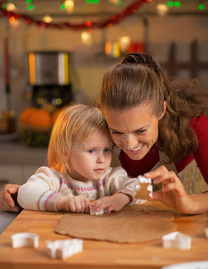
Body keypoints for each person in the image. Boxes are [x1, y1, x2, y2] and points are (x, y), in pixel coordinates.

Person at [1, 52, 208, 214]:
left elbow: (141, 189)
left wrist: (189, 203)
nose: (129, 144)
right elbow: (71, 178)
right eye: (116, 132)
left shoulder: (193, 125)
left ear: (161, 110)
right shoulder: (98, 130)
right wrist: (24, 194)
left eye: (141, 130)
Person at [14, 104, 143, 214]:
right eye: (91, 150)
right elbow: (25, 193)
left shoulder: (110, 177)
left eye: (106, 150)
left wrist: (120, 199)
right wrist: (63, 202)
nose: (102, 159)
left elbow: (143, 189)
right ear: (65, 152)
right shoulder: (53, 178)